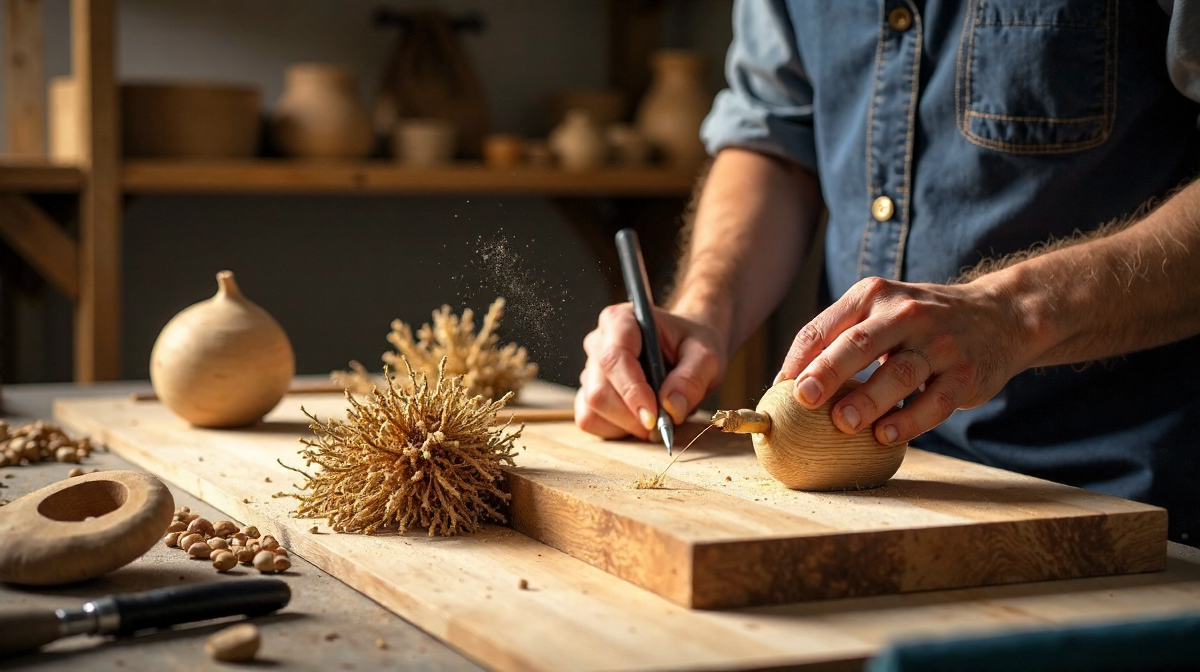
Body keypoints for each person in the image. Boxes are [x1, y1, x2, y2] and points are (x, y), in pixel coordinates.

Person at [575, 0, 1200, 545]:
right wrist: (706, 308)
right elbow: (774, 136)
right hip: (866, 504)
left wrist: (1015, 313)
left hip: (1124, 496)